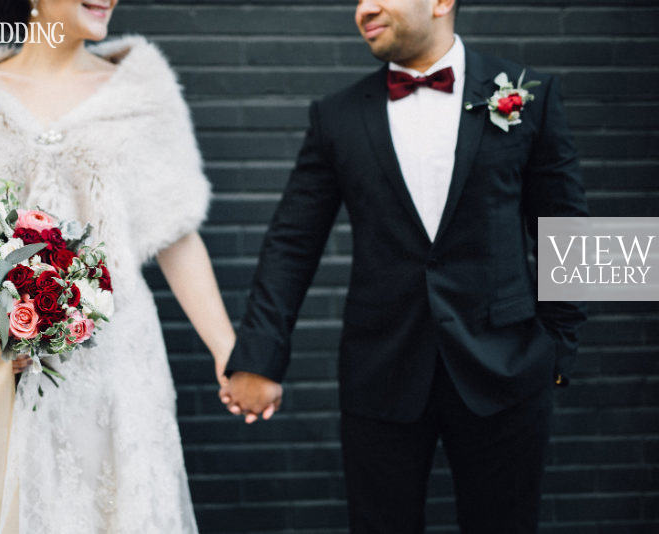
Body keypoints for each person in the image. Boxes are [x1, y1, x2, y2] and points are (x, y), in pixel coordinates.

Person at [221, 0, 589, 531]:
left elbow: (567, 223)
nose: (363, 8)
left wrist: (560, 344)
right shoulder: (336, 115)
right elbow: (291, 242)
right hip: (380, 371)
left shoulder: (532, 92)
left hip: (507, 368)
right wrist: (258, 356)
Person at [0, 1, 236, 532]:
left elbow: (177, 232)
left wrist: (227, 349)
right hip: (1, 357)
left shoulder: (143, 89)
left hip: (119, 358)